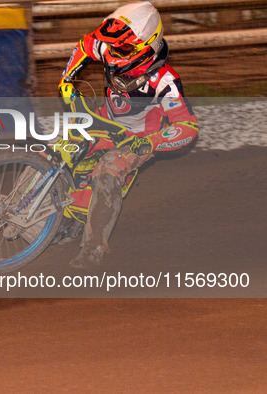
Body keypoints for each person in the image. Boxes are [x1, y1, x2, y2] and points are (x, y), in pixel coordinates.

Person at [56, 1, 198, 267]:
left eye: (122, 48)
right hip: (106, 120)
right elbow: (86, 44)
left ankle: (93, 248)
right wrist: (67, 79)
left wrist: (152, 141)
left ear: (148, 47)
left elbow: (188, 126)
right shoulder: (109, 47)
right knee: (59, 152)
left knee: (107, 171)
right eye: (112, 46)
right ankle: (46, 222)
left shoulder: (164, 81)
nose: (112, 54)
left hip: (138, 138)